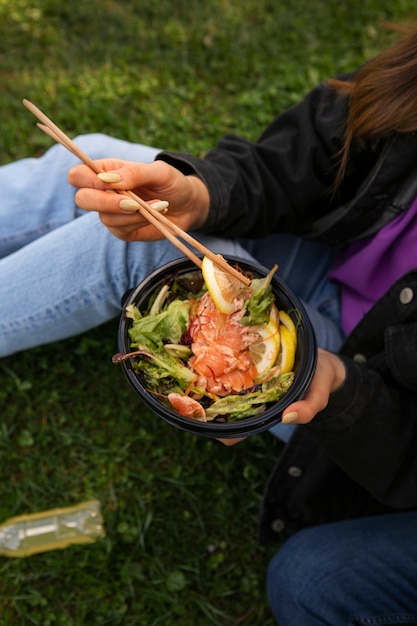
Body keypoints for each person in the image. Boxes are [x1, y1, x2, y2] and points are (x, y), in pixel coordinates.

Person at [2, 21, 417, 625]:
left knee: (132, 248)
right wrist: (202, 193)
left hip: (355, 383)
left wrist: (340, 391)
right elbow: (305, 159)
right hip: (333, 265)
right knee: (107, 166)